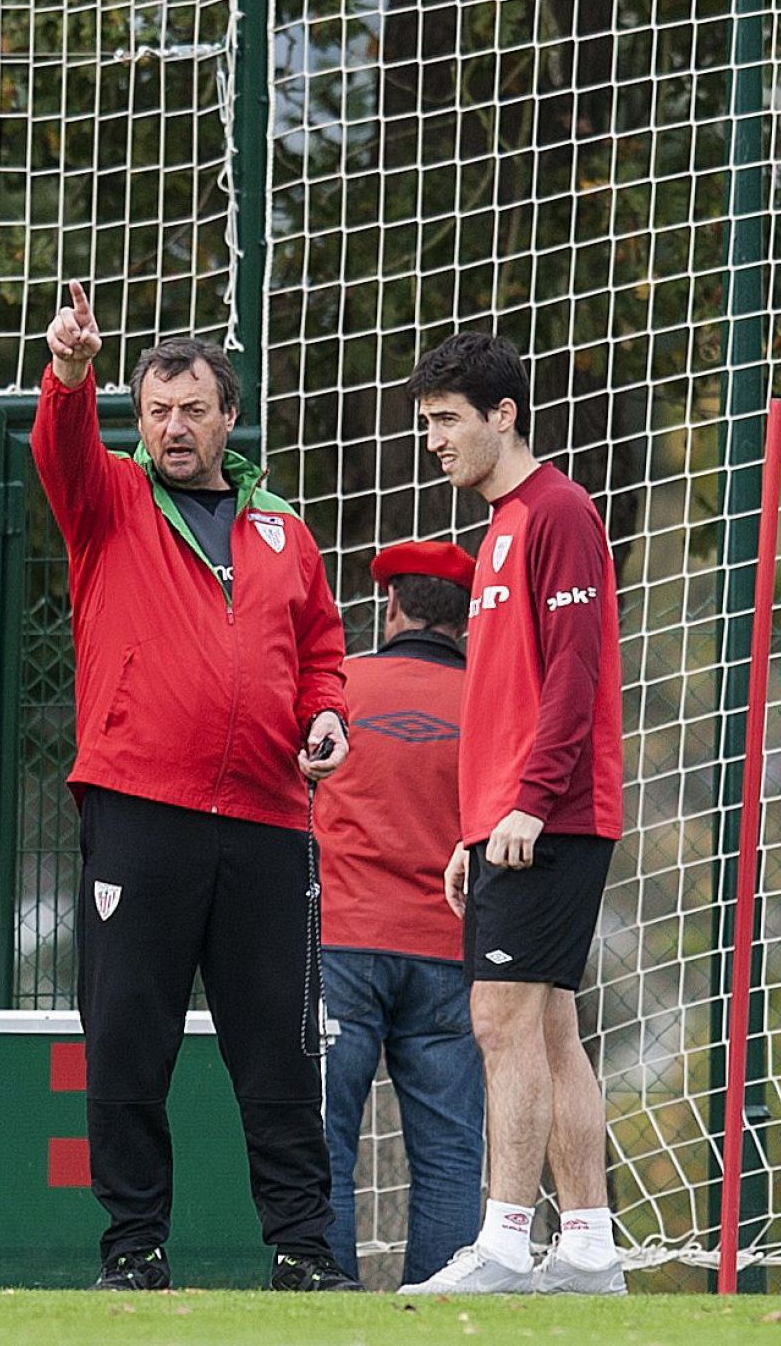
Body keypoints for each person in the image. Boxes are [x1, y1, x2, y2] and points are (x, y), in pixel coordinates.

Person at [33, 281, 361, 1292]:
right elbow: (61, 447)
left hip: (267, 817)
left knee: (278, 1047)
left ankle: (304, 1253)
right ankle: (133, 1248)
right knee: (129, 1038)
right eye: (156, 411)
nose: (172, 427)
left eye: (191, 409)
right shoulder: (110, 500)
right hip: (141, 809)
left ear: (228, 417)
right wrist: (72, 370)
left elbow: (321, 650)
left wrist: (327, 713)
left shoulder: (283, 530)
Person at [397, 331, 626, 1296]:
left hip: (552, 815)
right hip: (508, 819)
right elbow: (510, 696)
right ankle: (586, 1248)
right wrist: (471, 824)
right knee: (548, 1029)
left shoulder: (558, 511)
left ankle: (501, 1243)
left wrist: (526, 803)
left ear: (505, 416)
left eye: (450, 422)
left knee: (498, 1020)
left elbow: (575, 675)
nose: (436, 442)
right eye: (426, 425)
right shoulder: (497, 529)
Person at [314, 539, 484, 1287]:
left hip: (343, 941)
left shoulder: (340, 686)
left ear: (392, 605)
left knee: (322, 1142)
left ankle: (327, 1303)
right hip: (450, 950)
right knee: (450, 1151)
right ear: (467, 618)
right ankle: (439, 1311)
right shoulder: (491, 700)